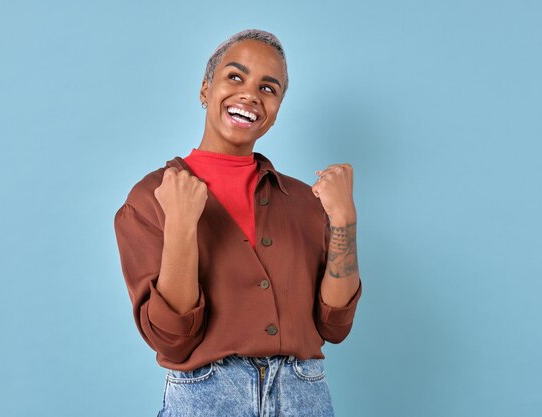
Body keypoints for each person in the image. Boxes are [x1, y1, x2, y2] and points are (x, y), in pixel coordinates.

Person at [114, 29, 362, 417]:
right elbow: (173, 340)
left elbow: (335, 325)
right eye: (235, 77)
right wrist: (181, 227)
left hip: (304, 396)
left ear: (277, 109)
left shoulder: (305, 201)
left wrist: (345, 219)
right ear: (204, 90)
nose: (250, 94)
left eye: (269, 88)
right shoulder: (151, 198)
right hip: (206, 397)